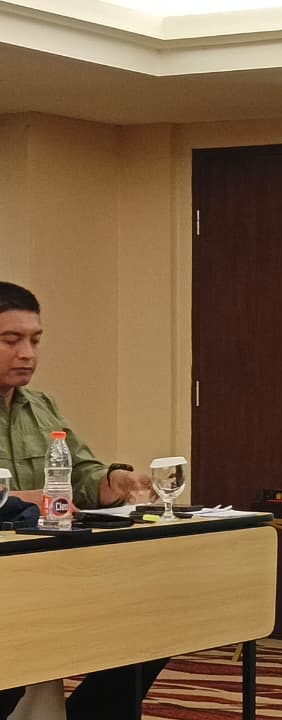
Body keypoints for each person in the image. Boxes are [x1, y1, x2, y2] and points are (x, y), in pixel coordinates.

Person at [0, 281, 166, 720]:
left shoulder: (42, 406)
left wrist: (116, 481)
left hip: (51, 568)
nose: (27, 354)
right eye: (11, 340)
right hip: (7, 581)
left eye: (35, 340)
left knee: (154, 622)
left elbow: (83, 475)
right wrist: (26, 498)